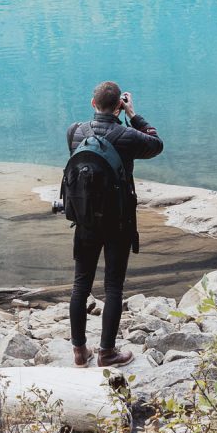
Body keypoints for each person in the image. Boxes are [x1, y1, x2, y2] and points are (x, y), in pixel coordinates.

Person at [66, 80, 164, 368]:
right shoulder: (127, 136)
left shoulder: (75, 132)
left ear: (93, 104)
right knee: (113, 287)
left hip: (84, 221)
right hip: (118, 223)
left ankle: (79, 352)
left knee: (80, 285)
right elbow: (156, 144)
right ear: (119, 105)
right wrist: (133, 115)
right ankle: (107, 352)